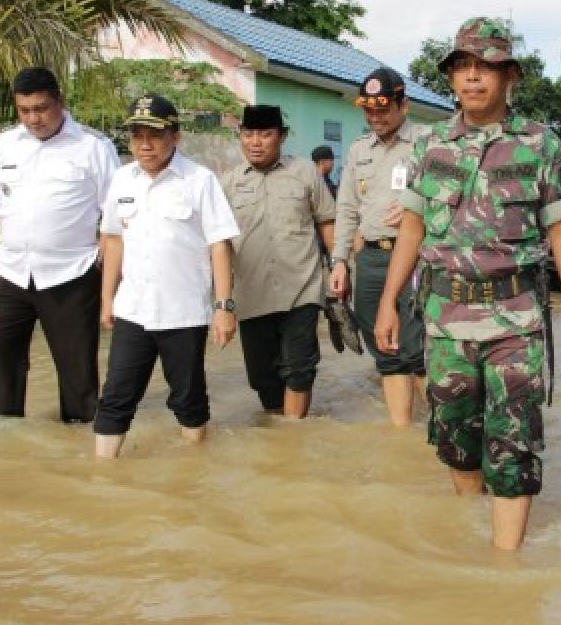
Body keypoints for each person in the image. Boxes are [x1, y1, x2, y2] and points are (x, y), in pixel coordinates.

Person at [374, 17, 561, 550]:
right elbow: (410, 227)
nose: (472, 77)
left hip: (516, 321)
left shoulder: (541, 147)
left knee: (513, 443)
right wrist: (388, 302)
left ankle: (505, 566)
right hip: (446, 319)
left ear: (510, 77)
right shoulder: (429, 145)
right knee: (456, 439)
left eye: (486, 67)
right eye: (462, 67)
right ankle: (469, 524)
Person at [0, 67, 119, 423]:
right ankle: (2, 434)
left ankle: (80, 441)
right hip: (11, 272)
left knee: (77, 372)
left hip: (72, 275)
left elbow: (115, 217)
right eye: (25, 110)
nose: (34, 118)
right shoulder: (5, 144)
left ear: (59, 101)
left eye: (42, 108)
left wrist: (109, 274)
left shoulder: (93, 146)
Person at [92, 95, 240, 456]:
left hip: (184, 313)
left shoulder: (199, 180)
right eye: (137, 135)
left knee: (189, 401)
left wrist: (223, 307)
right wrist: (107, 299)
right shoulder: (121, 180)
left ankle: (191, 477)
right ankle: (102, 477)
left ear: (175, 137)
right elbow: (112, 240)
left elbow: (219, 245)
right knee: (115, 398)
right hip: (133, 310)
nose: (145, 144)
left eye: (154, 135)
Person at [222, 105, 337, 419]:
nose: (255, 142)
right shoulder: (228, 183)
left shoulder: (304, 173)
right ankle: (282, 444)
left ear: (281, 136)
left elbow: (327, 221)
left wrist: (340, 266)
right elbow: (219, 246)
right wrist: (222, 302)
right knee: (263, 380)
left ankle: (294, 437)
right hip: (251, 294)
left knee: (299, 370)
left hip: (301, 289)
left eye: (265, 134)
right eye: (249, 134)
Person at [328, 68, 427, 426]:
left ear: (405, 105)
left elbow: (456, 194)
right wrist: (339, 262)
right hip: (370, 258)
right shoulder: (358, 151)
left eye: (383, 109)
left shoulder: (428, 143)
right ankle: (402, 435)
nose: (375, 117)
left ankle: (437, 431)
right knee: (386, 349)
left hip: (417, 258)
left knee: (419, 348)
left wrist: (423, 204)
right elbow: (346, 208)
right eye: (368, 110)